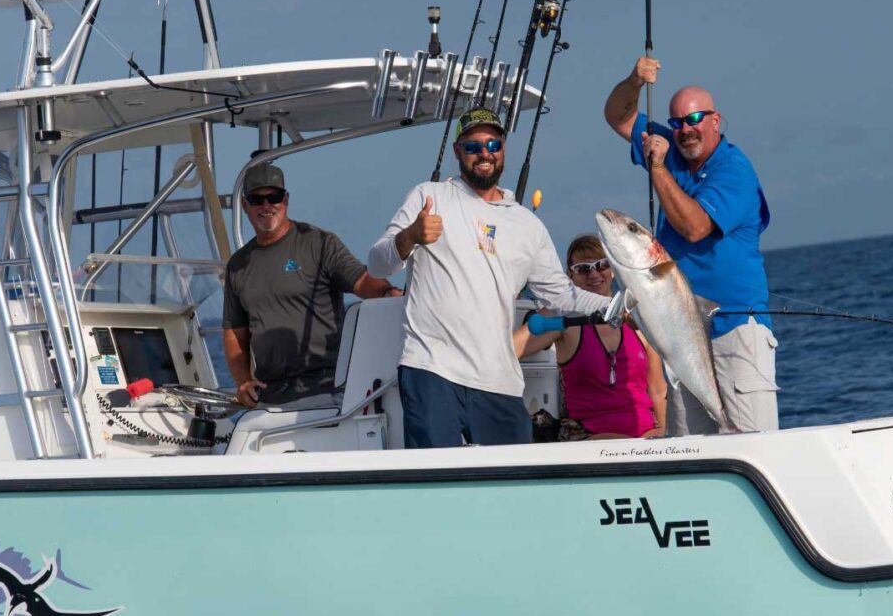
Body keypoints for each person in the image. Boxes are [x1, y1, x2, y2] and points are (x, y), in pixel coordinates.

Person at [368, 107, 614, 448]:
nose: (484, 153)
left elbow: (560, 295)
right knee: (437, 475)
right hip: (432, 370)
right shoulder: (429, 196)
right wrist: (409, 236)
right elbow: (377, 265)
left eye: (493, 144)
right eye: (473, 146)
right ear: (458, 151)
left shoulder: (528, 224)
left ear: (503, 149)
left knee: (514, 477)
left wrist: (617, 307)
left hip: (500, 381)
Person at [602, 57, 777, 434]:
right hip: (680, 331)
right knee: (689, 446)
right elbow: (618, 115)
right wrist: (634, 80)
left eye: (695, 119)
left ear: (715, 120)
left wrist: (658, 168)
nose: (685, 130)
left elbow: (695, 227)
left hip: (734, 329)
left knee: (750, 441)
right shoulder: (672, 151)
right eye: (678, 122)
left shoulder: (734, 170)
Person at [222, 163, 397, 408]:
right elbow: (234, 332)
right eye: (257, 199)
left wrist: (388, 293)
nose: (266, 206)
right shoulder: (237, 265)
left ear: (286, 200)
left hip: (327, 388)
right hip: (270, 396)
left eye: (274, 197)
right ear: (244, 205)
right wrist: (243, 382)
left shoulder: (319, 243)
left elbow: (362, 279)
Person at [516, 234, 667, 439]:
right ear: (570, 276)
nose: (594, 274)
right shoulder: (562, 317)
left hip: (646, 436)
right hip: (588, 436)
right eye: (583, 269)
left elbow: (657, 389)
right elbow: (511, 349)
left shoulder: (637, 319)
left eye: (601, 265)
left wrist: (662, 434)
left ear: (613, 269)